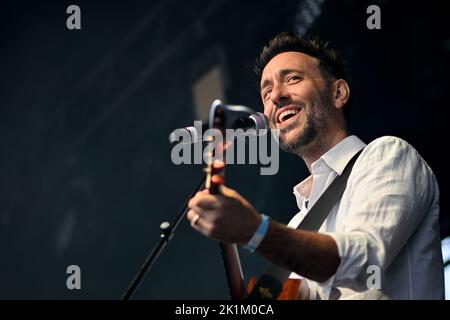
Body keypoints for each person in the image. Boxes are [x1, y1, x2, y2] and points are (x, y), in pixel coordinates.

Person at [187, 32, 444, 299]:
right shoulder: (299, 223)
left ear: (338, 93)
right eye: (266, 91)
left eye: (293, 78)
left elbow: (364, 261)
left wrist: (256, 230)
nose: (276, 96)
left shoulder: (388, 155)